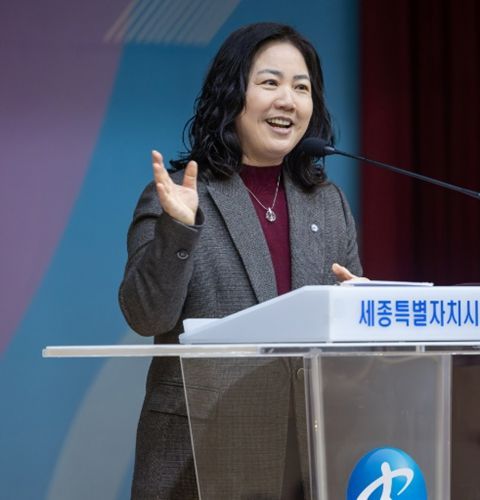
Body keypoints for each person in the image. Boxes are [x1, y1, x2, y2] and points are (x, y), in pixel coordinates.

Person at [119, 22, 362, 499]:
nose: (288, 101)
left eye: (302, 88)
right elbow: (146, 315)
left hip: (306, 459)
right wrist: (179, 228)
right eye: (270, 83)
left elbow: (341, 333)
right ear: (232, 96)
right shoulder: (180, 195)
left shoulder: (327, 203)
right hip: (203, 457)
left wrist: (360, 310)